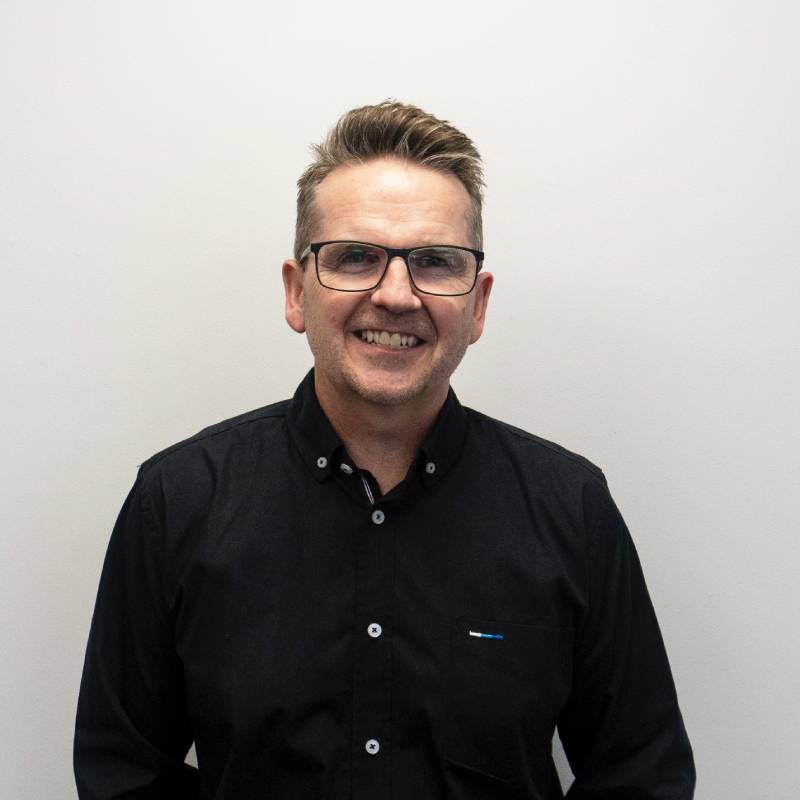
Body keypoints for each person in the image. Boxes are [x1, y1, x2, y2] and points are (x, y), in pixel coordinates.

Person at [74, 101, 695, 799]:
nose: (396, 295)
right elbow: (121, 773)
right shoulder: (177, 501)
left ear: (478, 303)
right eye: (356, 257)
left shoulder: (571, 507)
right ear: (295, 292)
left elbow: (644, 775)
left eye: (435, 262)